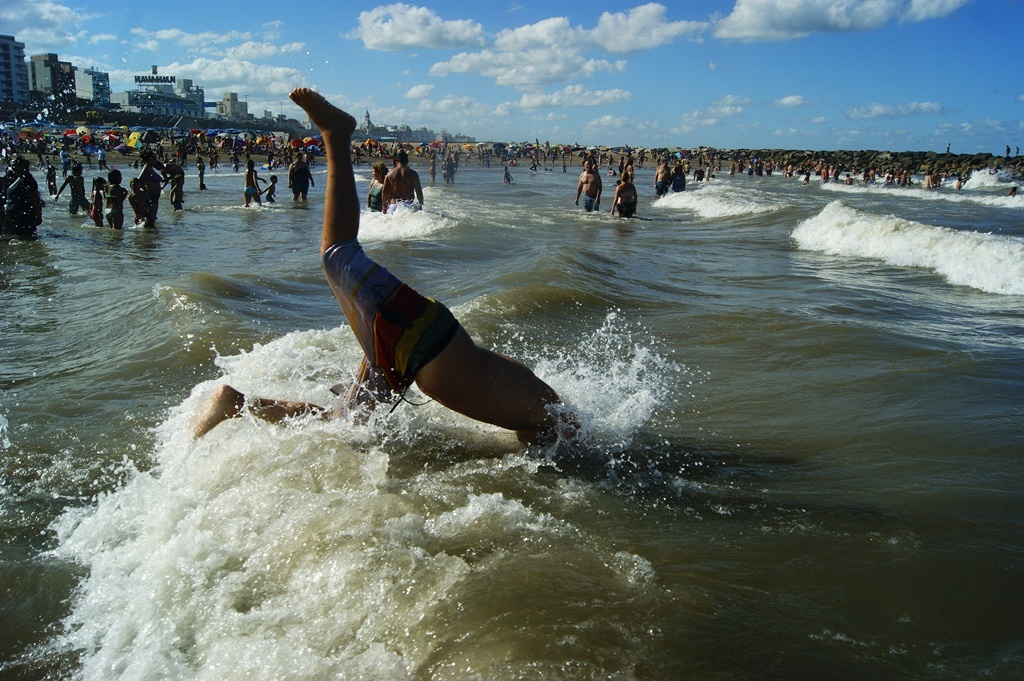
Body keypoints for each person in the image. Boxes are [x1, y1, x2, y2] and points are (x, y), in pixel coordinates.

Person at [193, 88, 574, 446]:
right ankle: (337, 136)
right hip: (423, 341)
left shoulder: (542, 406)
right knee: (337, 253)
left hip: (413, 354)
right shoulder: (552, 421)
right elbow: (537, 436)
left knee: (344, 422)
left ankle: (237, 403)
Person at [2, 156, 44, 239]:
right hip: (16, 219)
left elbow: (35, 199)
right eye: (12, 165)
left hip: (24, 218)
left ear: (22, 166)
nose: (13, 168)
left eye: (15, 165)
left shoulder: (28, 180)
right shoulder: (19, 179)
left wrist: (38, 216)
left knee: (26, 242)